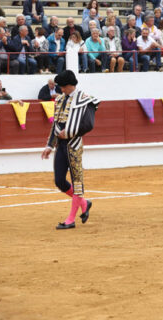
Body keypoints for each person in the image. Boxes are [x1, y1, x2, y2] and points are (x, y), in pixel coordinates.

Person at [40, 70, 99, 229]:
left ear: (69, 86)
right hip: (60, 145)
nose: (60, 90)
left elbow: (88, 125)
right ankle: (84, 203)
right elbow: (56, 124)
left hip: (74, 145)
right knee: (59, 181)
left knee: (77, 181)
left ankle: (71, 219)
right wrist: (49, 145)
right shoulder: (60, 100)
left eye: (62, 87)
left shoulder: (85, 100)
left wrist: (72, 132)